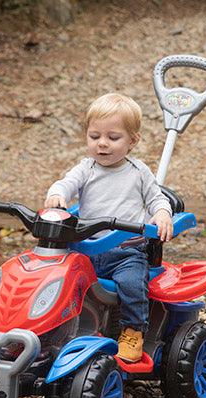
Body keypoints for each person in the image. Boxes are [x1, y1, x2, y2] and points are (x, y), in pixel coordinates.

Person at [45, 93, 173, 362]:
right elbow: (65, 183)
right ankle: (54, 328)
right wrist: (57, 194)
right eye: (94, 136)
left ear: (132, 141)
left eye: (113, 138)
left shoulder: (138, 172)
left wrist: (162, 214)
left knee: (131, 284)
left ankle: (133, 330)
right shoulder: (86, 168)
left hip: (125, 253)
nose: (102, 144)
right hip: (86, 251)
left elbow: (157, 199)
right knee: (55, 280)